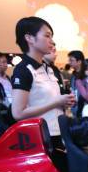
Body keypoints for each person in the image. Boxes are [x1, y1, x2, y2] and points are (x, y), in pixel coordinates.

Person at [11, 17, 75, 146]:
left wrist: (64, 102)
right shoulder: (23, 70)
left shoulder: (48, 68)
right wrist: (56, 102)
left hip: (58, 132)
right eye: (47, 36)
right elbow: (18, 113)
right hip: (41, 138)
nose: (52, 42)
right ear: (29, 38)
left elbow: (48, 100)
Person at [67, 50, 84, 117]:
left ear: (79, 62)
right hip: (75, 110)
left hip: (85, 111)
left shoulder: (86, 75)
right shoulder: (73, 75)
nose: (69, 62)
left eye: (71, 60)